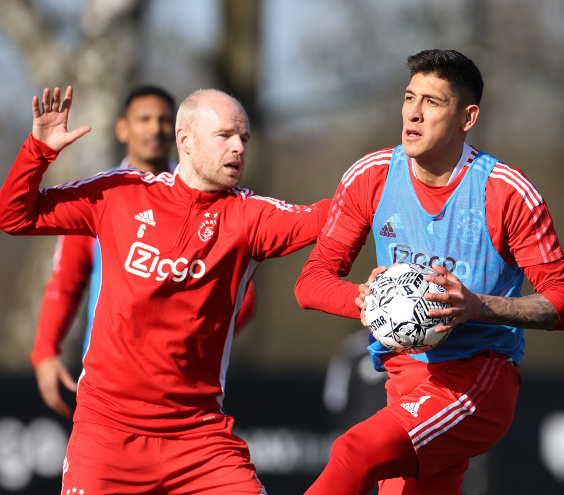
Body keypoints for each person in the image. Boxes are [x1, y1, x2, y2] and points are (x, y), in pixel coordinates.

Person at [0, 86, 330, 494]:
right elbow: (16, 218)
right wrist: (38, 151)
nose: (239, 148)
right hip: (107, 432)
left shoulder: (248, 216)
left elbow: (330, 216)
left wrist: (392, 174)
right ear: (185, 140)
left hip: (198, 439)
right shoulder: (117, 192)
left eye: (244, 138)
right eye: (225, 135)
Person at [295, 49, 564, 494]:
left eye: (432, 102)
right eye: (409, 98)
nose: (413, 113)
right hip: (403, 379)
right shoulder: (372, 176)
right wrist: (369, 301)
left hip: (477, 379)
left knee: (355, 450)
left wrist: (477, 306)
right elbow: (310, 283)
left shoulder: (505, 191)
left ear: (468, 118)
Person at [31, 85, 257, 419]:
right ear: (122, 128)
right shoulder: (98, 196)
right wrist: (45, 351)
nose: (155, 128)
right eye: (144, 119)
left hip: (187, 385)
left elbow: (242, 296)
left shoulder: (215, 198)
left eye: (164, 120)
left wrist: (191, 342)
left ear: (180, 132)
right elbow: (66, 283)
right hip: (109, 383)